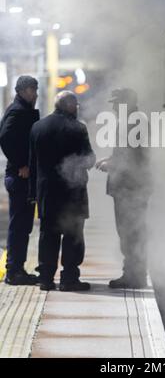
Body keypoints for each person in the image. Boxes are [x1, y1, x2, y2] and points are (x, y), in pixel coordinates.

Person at [29, 91, 96, 291]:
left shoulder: (38, 127)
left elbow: (32, 163)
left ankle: (45, 278)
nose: (77, 108)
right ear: (68, 105)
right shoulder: (78, 128)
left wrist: (33, 193)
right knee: (73, 234)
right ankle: (69, 279)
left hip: (47, 191)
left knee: (48, 233)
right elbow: (89, 159)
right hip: (72, 191)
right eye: (75, 105)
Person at [96, 88, 152, 289]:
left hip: (130, 187)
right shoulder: (132, 120)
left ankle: (134, 276)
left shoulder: (133, 121)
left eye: (116, 103)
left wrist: (112, 165)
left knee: (131, 231)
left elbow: (133, 158)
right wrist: (111, 159)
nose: (112, 107)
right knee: (129, 231)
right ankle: (133, 273)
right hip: (130, 187)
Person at [0, 75, 39, 285]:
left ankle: (16, 268)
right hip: (18, 175)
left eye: (36, 89)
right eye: (32, 89)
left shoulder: (18, 109)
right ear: (22, 91)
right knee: (19, 225)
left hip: (18, 175)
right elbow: (5, 137)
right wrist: (21, 164)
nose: (36, 93)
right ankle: (14, 271)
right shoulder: (18, 111)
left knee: (23, 225)